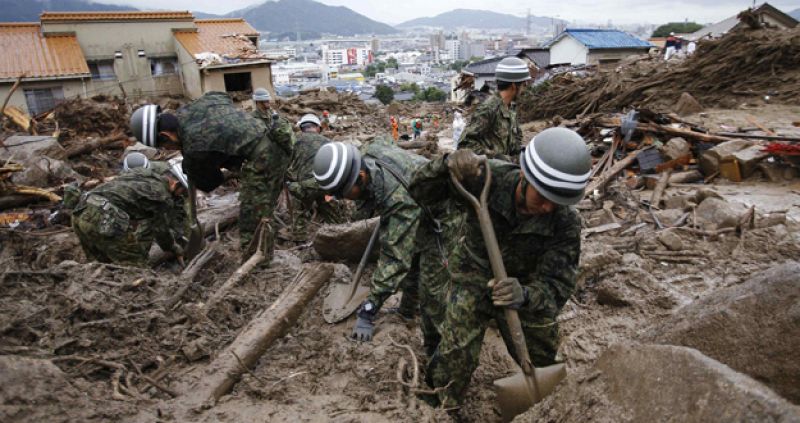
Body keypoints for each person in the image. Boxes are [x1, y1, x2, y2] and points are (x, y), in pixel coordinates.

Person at [409, 127, 590, 408]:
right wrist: (445, 166)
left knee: (541, 357)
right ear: (525, 177)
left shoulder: (565, 223)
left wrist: (527, 295)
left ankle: (545, 409)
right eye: (542, 198)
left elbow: (558, 285)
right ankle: (443, 403)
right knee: (456, 350)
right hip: (473, 272)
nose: (546, 209)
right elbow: (419, 191)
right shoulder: (485, 178)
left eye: (556, 203)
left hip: (523, 286)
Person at [129, 92, 295, 260]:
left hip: (266, 158)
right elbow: (222, 96)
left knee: (251, 220)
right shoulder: (197, 106)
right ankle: (264, 245)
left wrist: (192, 165)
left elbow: (210, 183)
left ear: (166, 135)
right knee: (263, 204)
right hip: (278, 138)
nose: (169, 149)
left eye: (166, 145)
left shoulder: (194, 148)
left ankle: (259, 264)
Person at [312, 138, 430, 342]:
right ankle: (407, 311)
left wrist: (369, 308)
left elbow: (395, 258)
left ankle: (432, 337)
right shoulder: (364, 154)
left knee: (430, 273)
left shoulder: (397, 198)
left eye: (346, 193)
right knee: (414, 252)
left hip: (444, 211)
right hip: (415, 198)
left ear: (361, 177)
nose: (346, 199)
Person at [72, 162, 189, 267]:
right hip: (102, 217)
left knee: (100, 265)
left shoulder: (143, 174)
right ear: (175, 183)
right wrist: (174, 247)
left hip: (81, 209)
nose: (181, 195)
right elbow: (160, 230)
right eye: (183, 190)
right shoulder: (163, 197)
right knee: (136, 266)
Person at [458, 57, 529, 160]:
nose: (525, 88)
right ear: (514, 86)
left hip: (507, 171)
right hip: (490, 173)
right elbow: (464, 145)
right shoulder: (488, 109)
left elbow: (514, 144)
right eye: (524, 84)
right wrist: (496, 158)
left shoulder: (511, 109)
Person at [286, 114, 341, 228]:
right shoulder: (328, 142)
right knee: (333, 215)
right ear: (317, 127)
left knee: (299, 212)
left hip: (304, 188)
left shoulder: (295, 141)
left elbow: (287, 164)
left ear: (302, 128)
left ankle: (299, 239)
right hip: (324, 186)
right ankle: (338, 234)